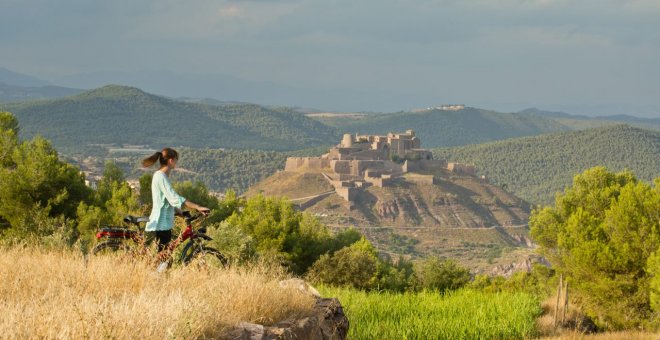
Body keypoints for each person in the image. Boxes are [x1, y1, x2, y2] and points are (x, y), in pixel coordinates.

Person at [142, 147, 209, 252]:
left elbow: (166, 200)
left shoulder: (161, 176)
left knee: (163, 259)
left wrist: (180, 212)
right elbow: (174, 198)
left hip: (161, 224)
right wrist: (197, 207)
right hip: (160, 224)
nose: (176, 163)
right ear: (171, 160)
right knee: (163, 259)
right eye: (176, 160)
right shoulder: (161, 177)